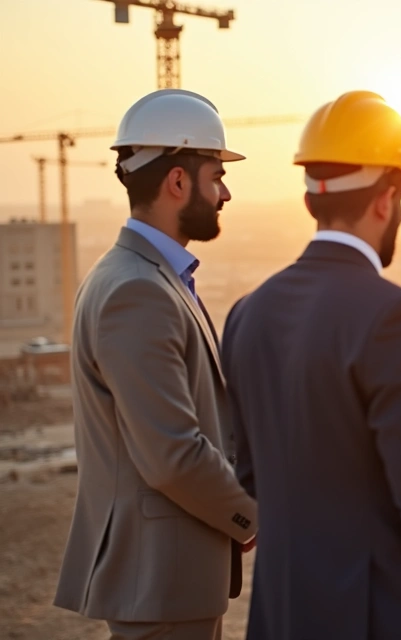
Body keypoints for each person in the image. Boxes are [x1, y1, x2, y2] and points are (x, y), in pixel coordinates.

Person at [220, 91, 401, 640]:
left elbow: (252, 478)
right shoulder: (394, 317)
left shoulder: (247, 314)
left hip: (282, 613)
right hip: (379, 615)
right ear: (386, 199)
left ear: (311, 200)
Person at [53, 88, 256, 640]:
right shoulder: (137, 292)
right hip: (160, 580)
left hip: (168, 580)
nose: (225, 192)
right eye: (216, 175)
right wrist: (250, 517)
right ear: (177, 182)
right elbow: (171, 453)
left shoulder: (141, 277)